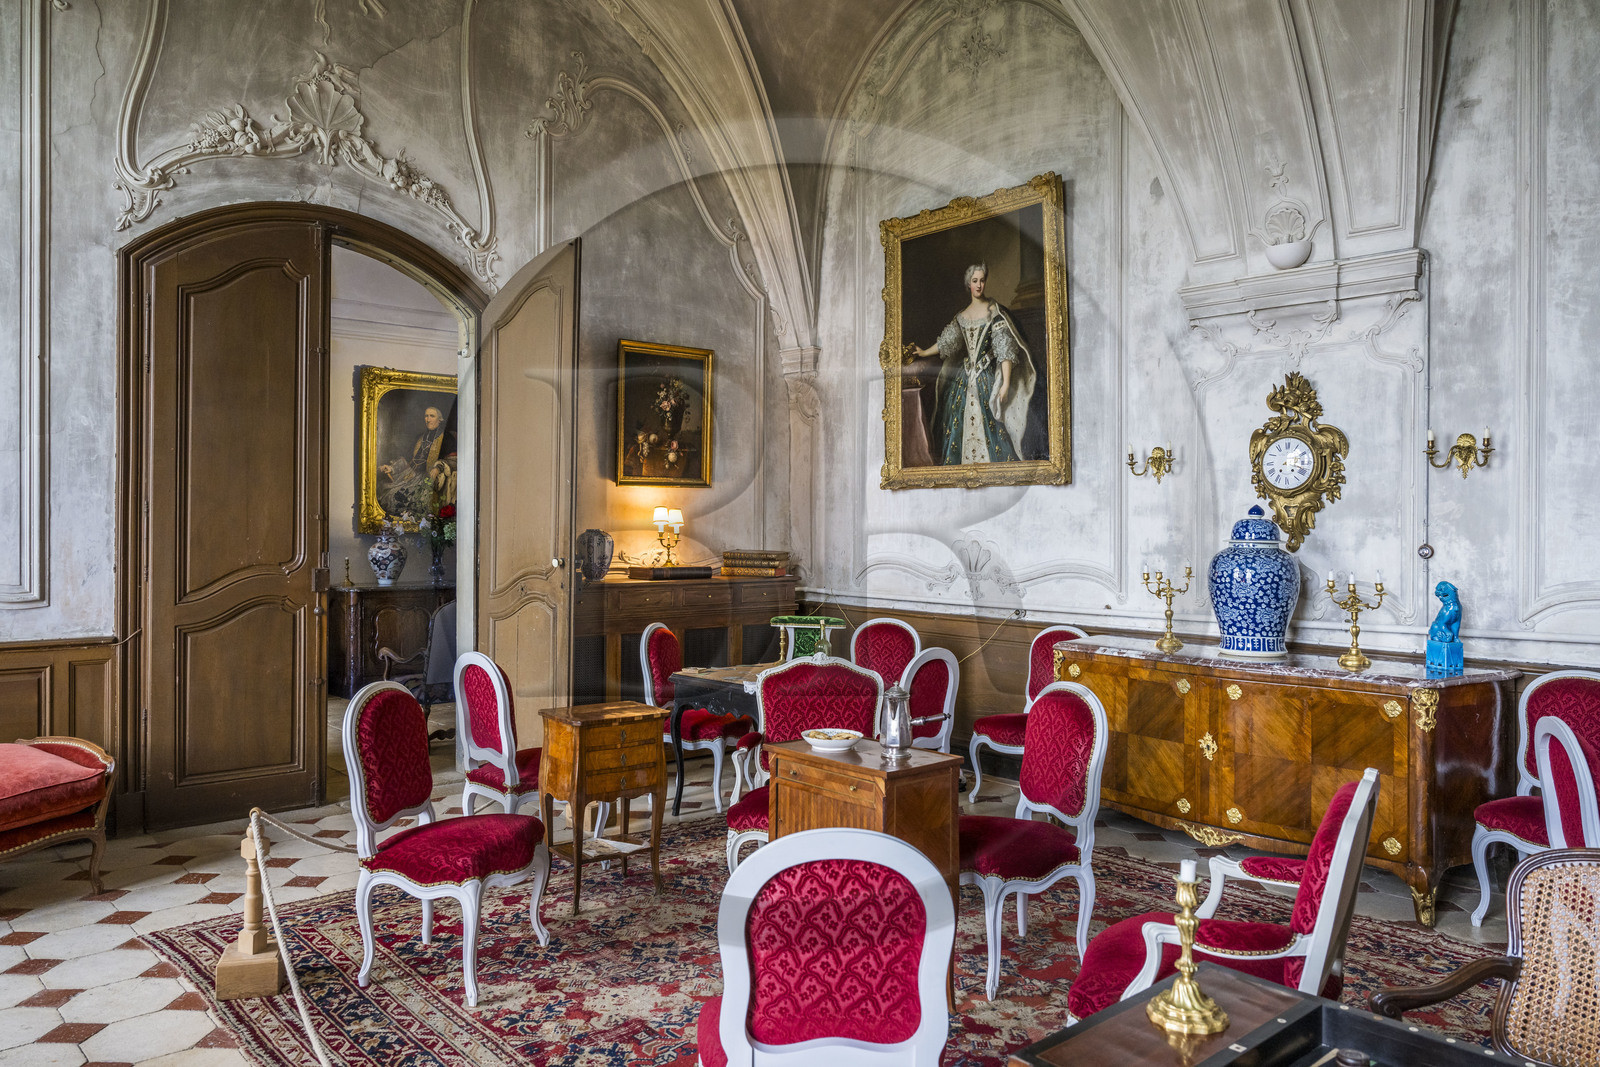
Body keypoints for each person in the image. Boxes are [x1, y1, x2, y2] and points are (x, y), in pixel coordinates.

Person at [904, 263, 1036, 465]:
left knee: (993, 428)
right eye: (975, 281)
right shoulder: (962, 316)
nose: (979, 285)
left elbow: (1004, 350)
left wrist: (1006, 383)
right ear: (968, 283)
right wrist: (924, 352)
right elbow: (946, 342)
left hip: (986, 379)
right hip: (964, 381)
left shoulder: (994, 313)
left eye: (982, 280)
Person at [379, 405, 456, 518]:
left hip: (427, 479)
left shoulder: (447, 437)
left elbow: (454, 460)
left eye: (432, 416)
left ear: (440, 420)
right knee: (389, 494)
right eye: (426, 416)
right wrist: (392, 468)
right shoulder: (420, 437)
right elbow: (408, 459)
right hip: (411, 476)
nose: (428, 419)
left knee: (404, 499)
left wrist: (438, 467)